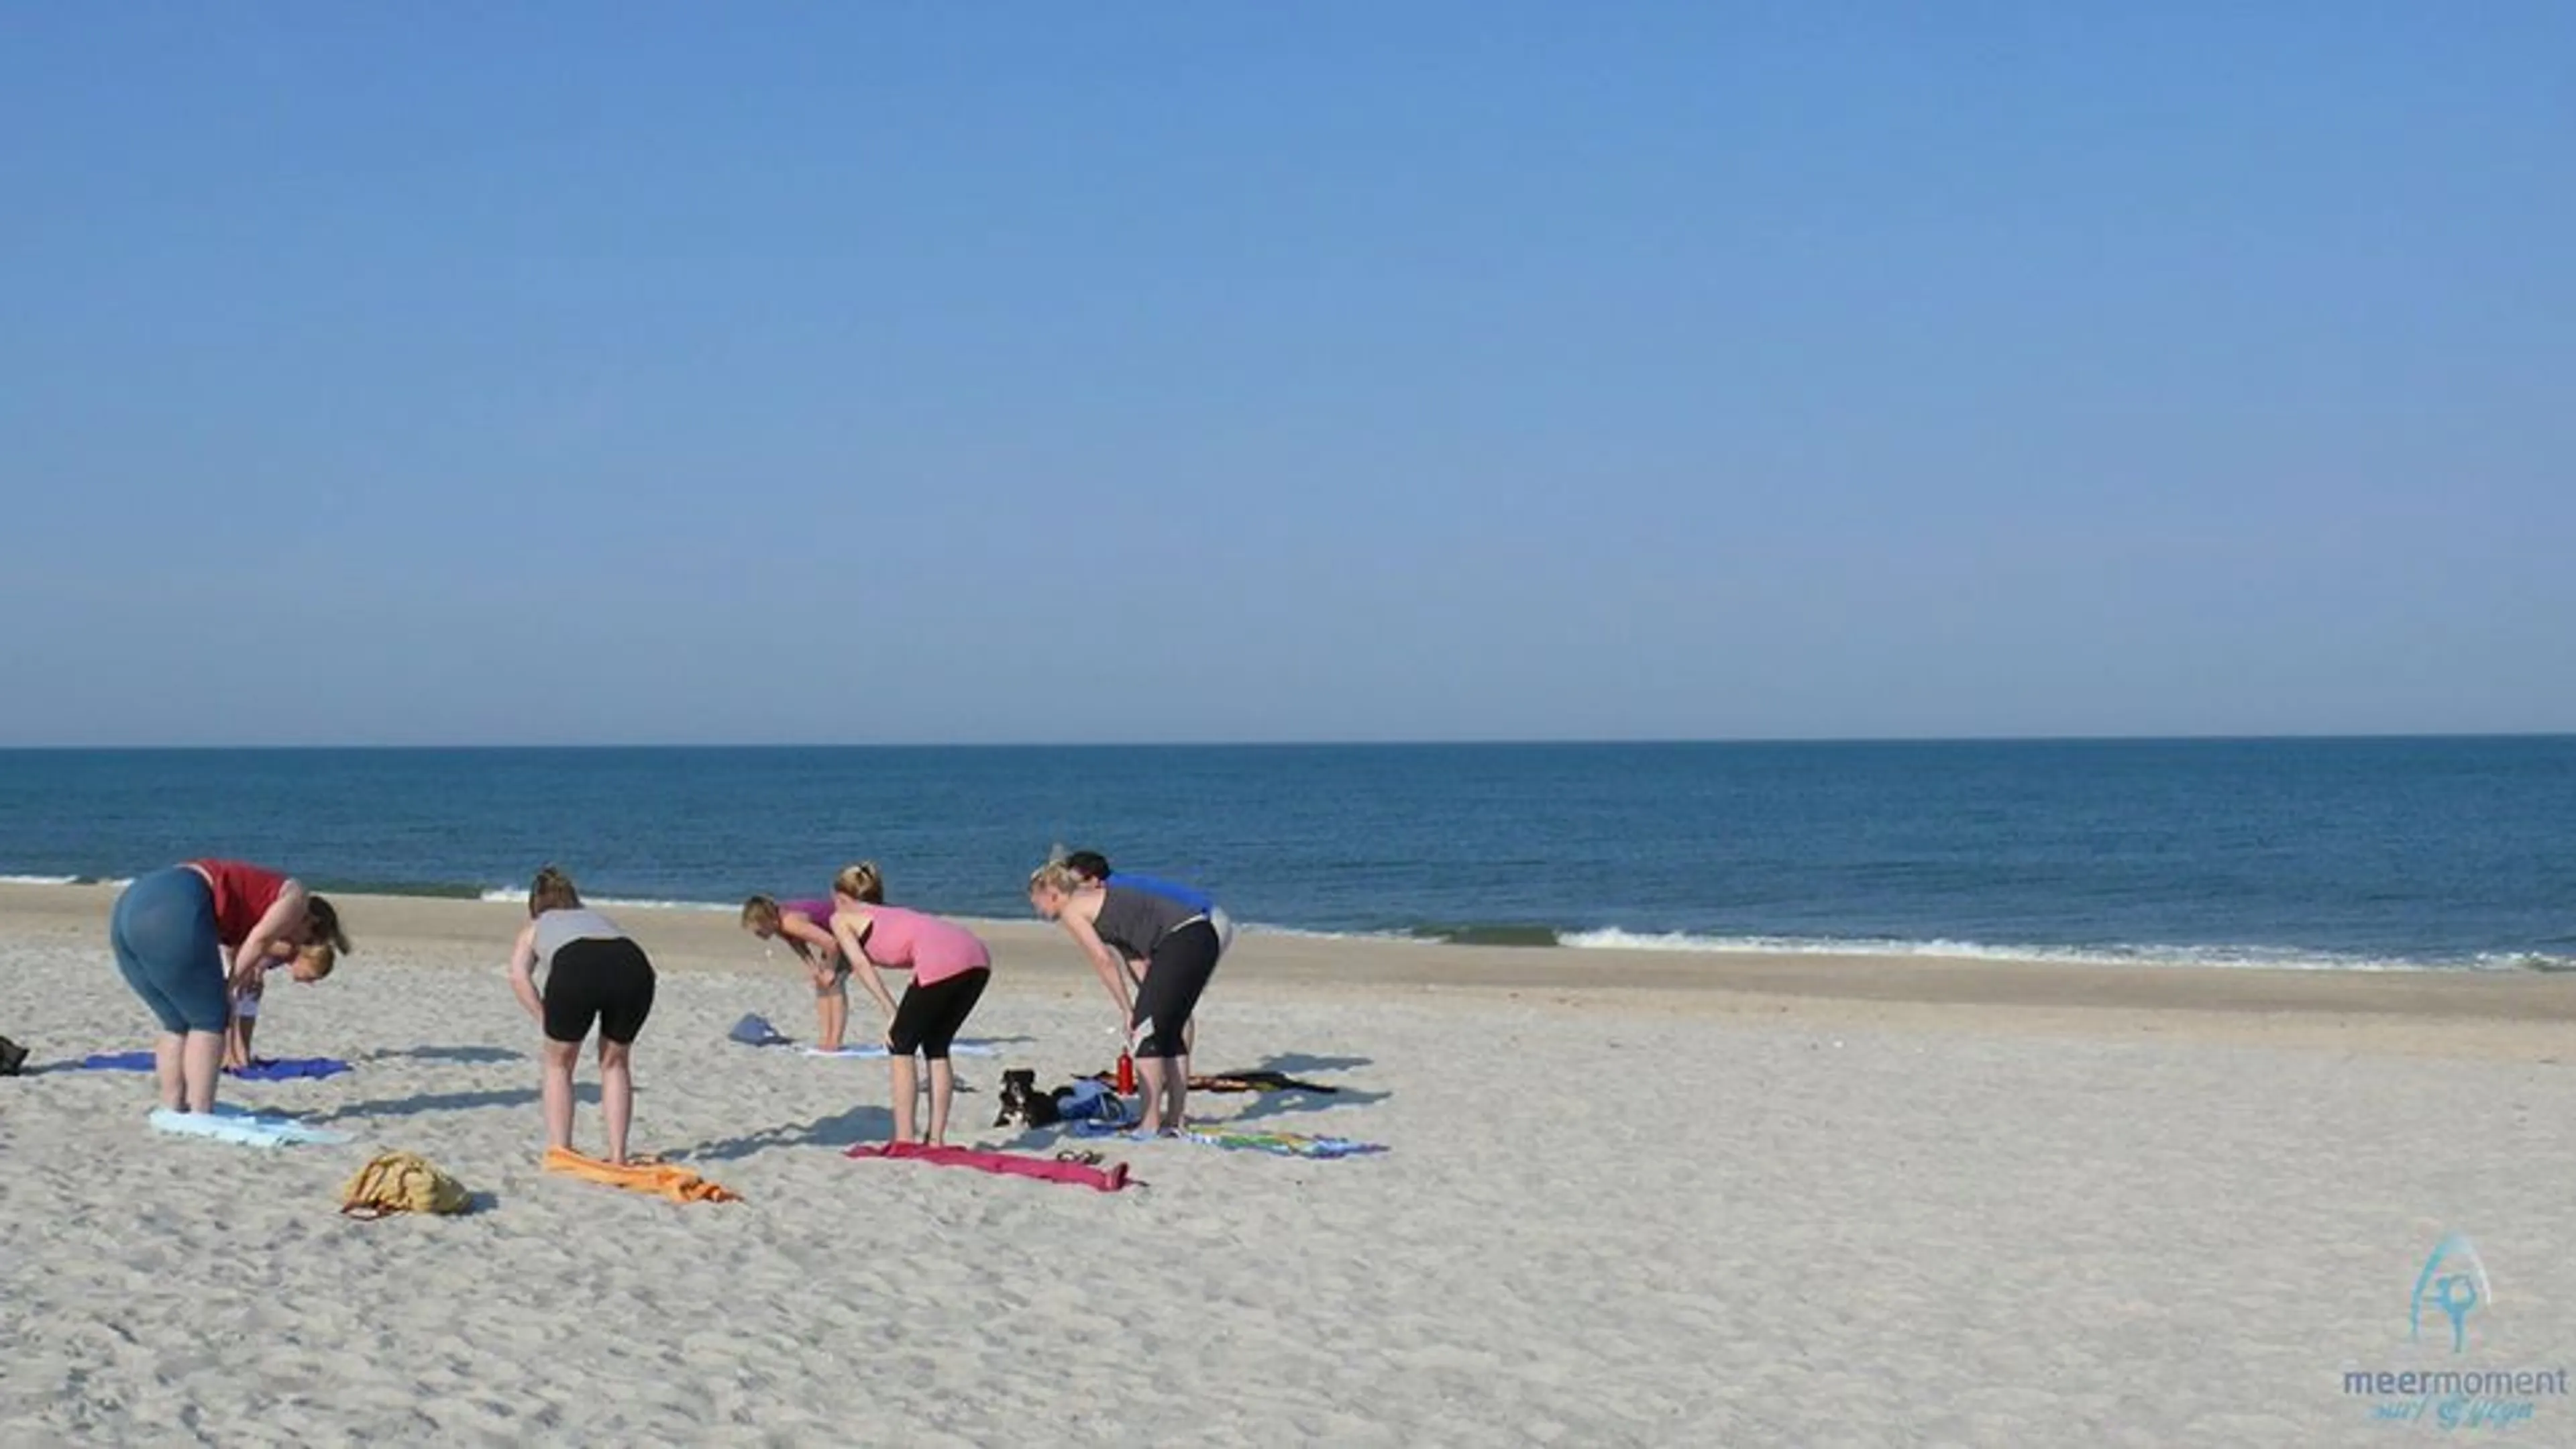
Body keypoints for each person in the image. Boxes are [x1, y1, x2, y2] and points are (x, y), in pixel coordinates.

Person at [108, 859, 349, 1114]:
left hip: (134, 900)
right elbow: (260, 940)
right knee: (210, 1020)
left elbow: (243, 945)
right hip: (177, 902)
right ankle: (201, 1111)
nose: (293, 943)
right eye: (305, 939)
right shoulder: (297, 898)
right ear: (310, 920)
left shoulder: (259, 901)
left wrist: (238, 979)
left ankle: (173, 1106)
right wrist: (230, 987)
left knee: (177, 1022)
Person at [1028, 858, 1224, 1135]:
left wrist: (1128, 1010)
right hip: (1203, 938)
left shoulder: (1072, 909)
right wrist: (1147, 1000)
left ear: (1053, 894)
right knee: (1167, 1033)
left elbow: (1103, 960)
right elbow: (1132, 953)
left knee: (1145, 1034)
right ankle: (1174, 1119)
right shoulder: (1098, 901)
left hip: (1183, 940)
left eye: (1037, 902)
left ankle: (1150, 1122)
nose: (1037, 910)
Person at [826, 862, 991, 1147]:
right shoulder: (890, 912)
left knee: (900, 1043)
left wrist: (891, 1012)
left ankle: (904, 1138)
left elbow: (862, 966)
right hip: (978, 957)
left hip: (943, 960)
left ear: (840, 896)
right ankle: (936, 1139)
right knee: (937, 1045)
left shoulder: (841, 918)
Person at [506, 865, 656, 1165]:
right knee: (615, 1064)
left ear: (536, 904)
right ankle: (617, 1155)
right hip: (633, 966)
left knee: (558, 1063)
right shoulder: (597, 918)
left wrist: (544, 1017)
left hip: (577, 967)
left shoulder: (537, 926)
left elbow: (518, 976)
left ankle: (561, 1149)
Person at [1061, 849, 1232, 1056]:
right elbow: (1128, 948)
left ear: (1095, 881)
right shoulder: (1102, 899)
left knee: (1178, 999)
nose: (1070, 892)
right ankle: (1165, 1058)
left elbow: (1114, 955)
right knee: (1160, 998)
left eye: (1074, 885)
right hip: (1181, 928)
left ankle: (1177, 1064)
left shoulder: (1115, 895)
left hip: (1207, 921)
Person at [739, 894, 851, 1050]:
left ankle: (835, 1041)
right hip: (835, 936)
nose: (759, 936)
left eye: (759, 932)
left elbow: (831, 943)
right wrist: (813, 967)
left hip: (849, 928)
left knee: (835, 983)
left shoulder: (789, 922)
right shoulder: (778, 925)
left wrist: (830, 970)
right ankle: (826, 1038)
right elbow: (797, 943)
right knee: (821, 985)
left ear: (767, 921)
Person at [223, 939, 337, 1070]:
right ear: (307, 960)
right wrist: (245, 970)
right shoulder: (286, 949)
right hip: (228, 954)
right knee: (235, 998)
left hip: (241, 961)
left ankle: (243, 1051)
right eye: (311, 976)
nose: (310, 983)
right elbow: (245, 942)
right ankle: (230, 1054)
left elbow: (259, 956)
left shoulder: (286, 956)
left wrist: (258, 970)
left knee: (251, 996)